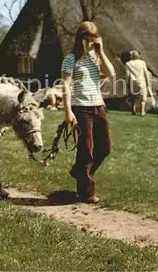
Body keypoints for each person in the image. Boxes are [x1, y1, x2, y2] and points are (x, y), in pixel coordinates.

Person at [61, 21, 116, 204]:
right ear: (80, 38)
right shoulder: (70, 59)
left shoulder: (96, 57)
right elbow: (66, 87)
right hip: (81, 108)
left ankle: (79, 172)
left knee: (105, 148)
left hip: (98, 106)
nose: (90, 43)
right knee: (86, 150)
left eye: (94, 39)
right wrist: (68, 111)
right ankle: (86, 192)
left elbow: (112, 73)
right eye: (87, 39)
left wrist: (101, 52)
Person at [125, 50, 151, 116]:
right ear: (138, 56)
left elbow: (127, 74)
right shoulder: (142, 63)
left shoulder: (128, 63)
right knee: (143, 98)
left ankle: (133, 110)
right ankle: (142, 111)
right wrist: (148, 82)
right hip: (141, 81)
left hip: (132, 82)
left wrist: (127, 83)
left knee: (133, 97)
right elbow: (146, 73)